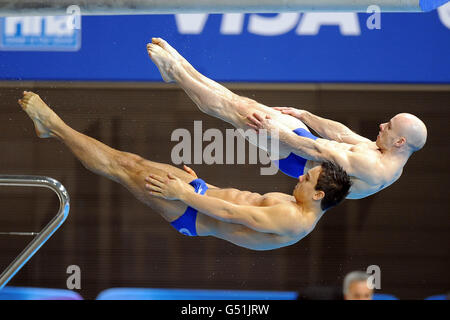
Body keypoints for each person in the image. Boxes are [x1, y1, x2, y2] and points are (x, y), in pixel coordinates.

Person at [18, 91, 351, 251]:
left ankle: (53, 126)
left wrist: (184, 193)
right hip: (197, 194)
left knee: (121, 168)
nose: (300, 176)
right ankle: (53, 128)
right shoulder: (297, 205)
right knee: (131, 161)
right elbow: (233, 200)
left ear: (320, 194)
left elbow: (230, 212)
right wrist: (197, 185)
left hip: (192, 212)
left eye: (307, 178)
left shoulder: (294, 220)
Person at [146, 37, 427, 199]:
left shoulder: (374, 167)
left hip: (296, 155)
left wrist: (275, 133)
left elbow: (317, 149)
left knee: (235, 111)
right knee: (242, 103)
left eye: (388, 127)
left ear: (401, 141)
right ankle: (181, 70)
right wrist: (304, 114)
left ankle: (177, 73)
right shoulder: (382, 151)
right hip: (305, 143)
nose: (381, 125)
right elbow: (342, 135)